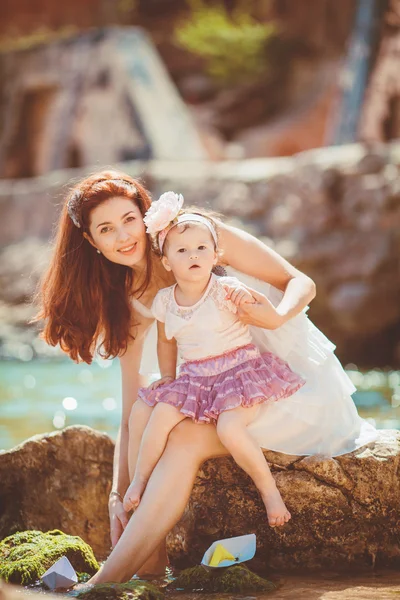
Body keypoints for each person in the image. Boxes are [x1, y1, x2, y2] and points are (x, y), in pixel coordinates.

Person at [36, 169, 377, 584]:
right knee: (148, 412)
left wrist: (275, 316)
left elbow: (298, 280)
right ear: (91, 242)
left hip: (287, 386)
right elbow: (128, 414)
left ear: (147, 216)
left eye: (129, 219)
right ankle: (148, 572)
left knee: (183, 437)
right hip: (225, 397)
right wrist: (115, 494)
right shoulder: (132, 302)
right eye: (106, 229)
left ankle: (102, 586)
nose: (124, 236)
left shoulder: (199, 237)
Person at [122, 193, 306, 527]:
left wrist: (249, 299)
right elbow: (166, 341)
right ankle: (140, 480)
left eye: (201, 248)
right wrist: (167, 375)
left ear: (215, 254)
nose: (193, 255)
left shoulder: (226, 288)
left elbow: (261, 306)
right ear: (167, 262)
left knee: (229, 427)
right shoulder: (165, 301)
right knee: (160, 414)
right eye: (181, 250)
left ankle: (269, 492)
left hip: (240, 373)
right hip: (196, 378)